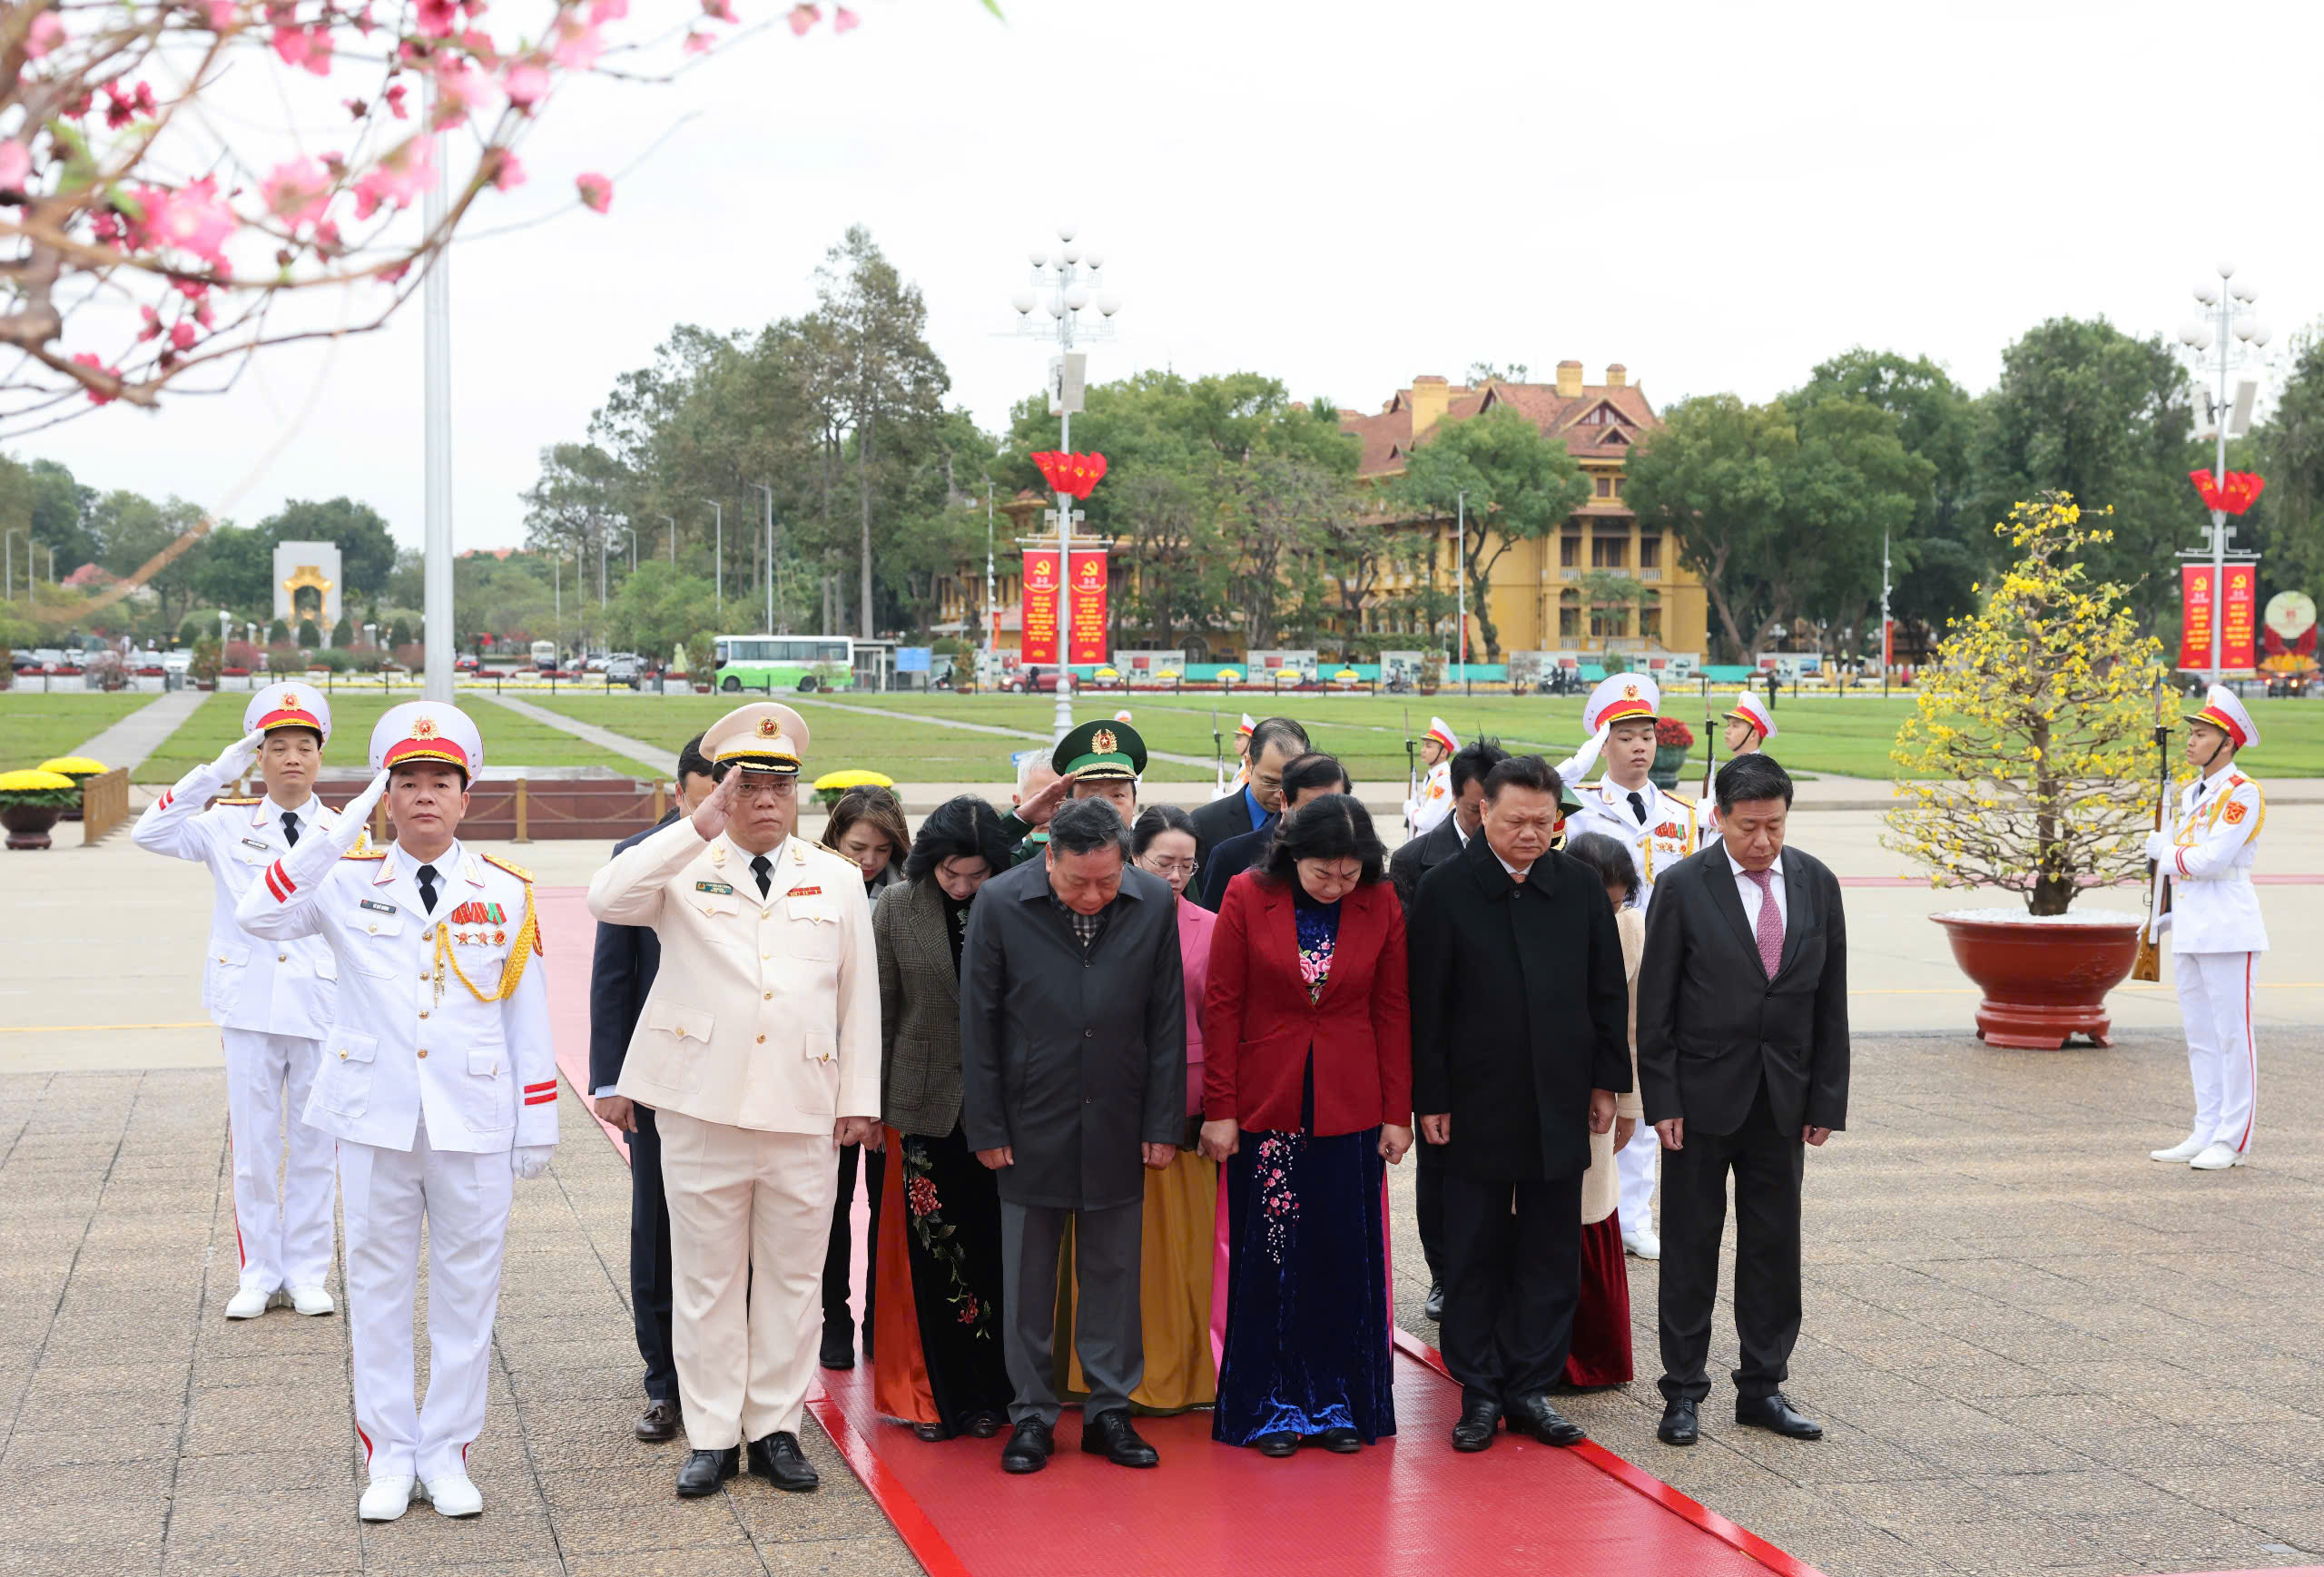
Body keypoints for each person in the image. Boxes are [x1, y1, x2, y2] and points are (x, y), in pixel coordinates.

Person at [236, 701, 556, 1523]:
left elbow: (525, 1012)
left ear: (464, 795)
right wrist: (335, 834)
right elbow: (259, 914)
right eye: (405, 782)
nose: (423, 796)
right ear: (384, 794)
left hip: (473, 1119)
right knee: (377, 1290)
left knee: (467, 1291)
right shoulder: (342, 880)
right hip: (374, 1116)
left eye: (439, 782)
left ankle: (446, 1451)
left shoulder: (504, 892)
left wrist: (539, 1116)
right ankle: (387, 1453)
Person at [587, 702, 880, 1499]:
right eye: (747, 786)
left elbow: (859, 1001)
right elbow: (607, 897)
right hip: (701, 1105)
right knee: (708, 1278)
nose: (763, 802)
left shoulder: (838, 878)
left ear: (797, 795)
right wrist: (698, 822)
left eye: (778, 787)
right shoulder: (682, 861)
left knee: (792, 1278)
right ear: (720, 790)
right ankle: (713, 1432)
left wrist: (859, 1099)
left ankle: (776, 1428)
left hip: (802, 1106)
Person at [958, 798, 1186, 1475]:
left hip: (1118, 1113)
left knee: (1114, 1271)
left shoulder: (1150, 902)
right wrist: (988, 1124)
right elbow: (980, 1021)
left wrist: (1161, 1121)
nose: (1093, 895)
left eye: (1107, 880)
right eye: (1078, 880)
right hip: (1030, 1118)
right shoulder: (1000, 901)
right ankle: (1031, 1413)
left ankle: (1109, 1409)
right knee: (1028, 1276)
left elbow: (1166, 1019)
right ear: (1048, 856)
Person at [1408, 754, 1628, 1454]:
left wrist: (1606, 1085)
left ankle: (1530, 1386)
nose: (1531, 833)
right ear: (1482, 815)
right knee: (1471, 1247)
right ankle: (1477, 1389)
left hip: (1559, 1097)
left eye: (1544, 821)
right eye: (1515, 820)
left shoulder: (1580, 890)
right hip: (1474, 1100)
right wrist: (1430, 1096)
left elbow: (1606, 996)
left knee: (1549, 1247)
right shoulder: (1446, 889)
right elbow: (1427, 1004)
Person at [1637, 753, 1848, 1449]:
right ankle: (1683, 1392)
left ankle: (1762, 1385)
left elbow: (1830, 1001)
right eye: (1749, 826)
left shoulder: (1816, 883)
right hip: (1698, 1100)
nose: (1762, 842)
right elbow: (1656, 1004)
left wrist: (1827, 1096)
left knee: (1773, 1247)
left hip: (1781, 1099)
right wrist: (1661, 1096)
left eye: (1775, 826)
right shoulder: (1682, 885)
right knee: (1691, 1245)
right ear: (1718, 816)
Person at [1203, 795, 1411, 1456]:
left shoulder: (1379, 900)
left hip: (1350, 1105)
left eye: (1350, 874)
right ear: (1293, 857)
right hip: (1268, 1106)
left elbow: (1393, 1008)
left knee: (1341, 1259)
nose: (1336, 885)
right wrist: (1220, 1109)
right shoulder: (1247, 893)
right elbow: (1223, 1004)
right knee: (1270, 1262)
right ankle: (1270, 1407)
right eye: (1324, 873)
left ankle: (1341, 1403)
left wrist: (1395, 1112)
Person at [133, 682, 342, 1322]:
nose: (291, 759)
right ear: (258, 757)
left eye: (303, 746)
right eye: (275, 747)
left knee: (314, 1145)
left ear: (319, 755)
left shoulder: (341, 831)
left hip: (317, 1004)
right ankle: (258, 1272)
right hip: (248, 1004)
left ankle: (307, 1272)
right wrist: (214, 772)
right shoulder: (225, 823)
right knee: (255, 1148)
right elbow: (150, 832)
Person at [1062, 802, 1225, 1415]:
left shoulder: (1209, 927)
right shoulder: (1093, 918)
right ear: (1133, 858)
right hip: (1103, 1106)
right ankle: (1101, 1374)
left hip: (1183, 1112)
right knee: (1108, 1257)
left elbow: (1220, 1022)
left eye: (1188, 864)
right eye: (1164, 862)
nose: (1177, 875)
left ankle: (1183, 1375)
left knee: (1180, 1258)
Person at [870, 795, 1017, 1441]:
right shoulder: (898, 907)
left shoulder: (1015, 906)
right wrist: (869, 1106)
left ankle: (998, 1390)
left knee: (997, 1248)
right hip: (920, 1102)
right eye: (951, 873)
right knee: (931, 1255)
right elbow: (876, 1010)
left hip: (1002, 1106)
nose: (962, 886)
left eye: (975, 875)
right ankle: (930, 1396)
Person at [588, 732, 717, 1444]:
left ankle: (730, 1377)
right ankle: (664, 1383)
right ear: (680, 794)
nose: (716, 820)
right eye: (705, 803)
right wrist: (612, 1080)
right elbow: (613, 981)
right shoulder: (635, 862)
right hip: (659, 1085)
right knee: (660, 1232)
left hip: (734, 1083)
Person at [1564, 672, 1695, 1263]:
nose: (1640, 747)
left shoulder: (1683, 813)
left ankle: (1636, 1215)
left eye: (1647, 735)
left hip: (1665, 967)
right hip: (1603, 964)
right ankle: (1598, 1210)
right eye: (1625, 737)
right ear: (1603, 744)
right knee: (1604, 1092)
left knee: (1649, 1093)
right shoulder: (1582, 809)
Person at [1388, 735, 1508, 1326]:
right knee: (1439, 1167)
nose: (1487, 821)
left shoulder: (1529, 850)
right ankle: (1442, 1274)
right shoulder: (1416, 861)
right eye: (1475, 808)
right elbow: (1412, 960)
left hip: (1505, 1043)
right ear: (1461, 797)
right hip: (1438, 1039)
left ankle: (1493, 1270)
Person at [2145, 685, 2267, 1171]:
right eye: (2192, 733)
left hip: (2228, 927)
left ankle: (2233, 1139)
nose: (2190, 742)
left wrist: (2165, 853)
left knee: (2233, 1036)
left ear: (2227, 743)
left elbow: (2212, 860)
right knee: (2200, 1035)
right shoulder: (2192, 793)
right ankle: (2206, 1128)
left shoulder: (2241, 795)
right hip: (2193, 925)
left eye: (2201, 735)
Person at [817, 784, 911, 1370]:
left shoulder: (908, 896)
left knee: (884, 1207)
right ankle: (833, 1319)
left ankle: (879, 1317)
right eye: (857, 846)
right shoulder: (813, 885)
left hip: (889, 1077)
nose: (869, 860)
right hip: (825, 1072)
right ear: (833, 840)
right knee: (828, 1209)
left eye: (881, 848)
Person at [1556, 832, 1647, 1388]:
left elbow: (1633, 1027)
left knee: (1591, 1210)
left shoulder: (1632, 929)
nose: (1608, 914)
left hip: (1598, 1092)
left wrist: (1630, 1103)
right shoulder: (1544, 918)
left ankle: (1592, 1357)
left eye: (1616, 902)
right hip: (1536, 1089)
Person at [1199, 752, 1350, 911]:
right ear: (1284, 801)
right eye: (1312, 809)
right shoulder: (1230, 857)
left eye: (1334, 809)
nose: (1325, 820)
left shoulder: (1359, 857)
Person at [1188, 715, 1310, 867]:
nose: (1281, 794)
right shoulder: (1205, 824)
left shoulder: (1316, 821)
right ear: (1249, 764)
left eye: (1291, 783)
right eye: (1270, 782)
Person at [1403, 716, 1458, 837]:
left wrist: (1409, 809)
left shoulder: (1444, 779)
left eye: (1428, 746)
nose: (1423, 750)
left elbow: (1427, 821)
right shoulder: (1434, 775)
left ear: (1443, 753)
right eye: (1423, 745)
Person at [1213, 713, 1257, 800]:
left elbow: (1238, 796)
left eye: (1239, 738)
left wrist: (1220, 797)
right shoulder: (1243, 765)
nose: (1235, 742)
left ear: (1251, 741)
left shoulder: (1250, 767)